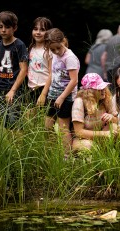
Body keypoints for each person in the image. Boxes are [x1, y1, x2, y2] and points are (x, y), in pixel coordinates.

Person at [42, 28, 80, 157]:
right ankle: (52, 151)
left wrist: (62, 97)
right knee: (47, 125)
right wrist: (45, 93)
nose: (57, 51)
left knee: (64, 128)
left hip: (66, 97)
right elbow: (52, 74)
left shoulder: (70, 57)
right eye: (53, 49)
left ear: (63, 41)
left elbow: (74, 80)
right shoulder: (54, 55)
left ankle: (67, 156)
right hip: (53, 94)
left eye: (58, 48)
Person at [0, 11, 28, 129]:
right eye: (0, 27)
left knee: (14, 123)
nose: (3, 30)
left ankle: (16, 146)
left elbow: (24, 69)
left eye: (7, 27)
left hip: (14, 90)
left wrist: (13, 90)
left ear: (14, 28)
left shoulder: (19, 45)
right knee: (0, 121)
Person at [72, 73, 118, 153]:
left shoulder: (105, 100)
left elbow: (116, 121)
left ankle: (105, 156)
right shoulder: (80, 102)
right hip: (83, 139)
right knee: (88, 145)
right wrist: (103, 134)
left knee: (114, 127)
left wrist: (112, 118)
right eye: (99, 88)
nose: (103, 90)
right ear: (90, 91)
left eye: (103, 87)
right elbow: (79, 132)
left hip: (101, 136)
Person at [26, 17, 53, 117]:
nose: (38, 32)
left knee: (42, 120)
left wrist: (43, 94)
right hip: (31, 88)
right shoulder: (30, 48)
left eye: (42, 30)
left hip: (44, 88)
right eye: (35, 29)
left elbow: (52, 73)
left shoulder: (49, 50)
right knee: (29, 119)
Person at [101, 24, 120, 94]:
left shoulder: (110, 39)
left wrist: (104, 72)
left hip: (109, 69)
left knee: (112, 92)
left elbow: (103, 57)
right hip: (119, 68)